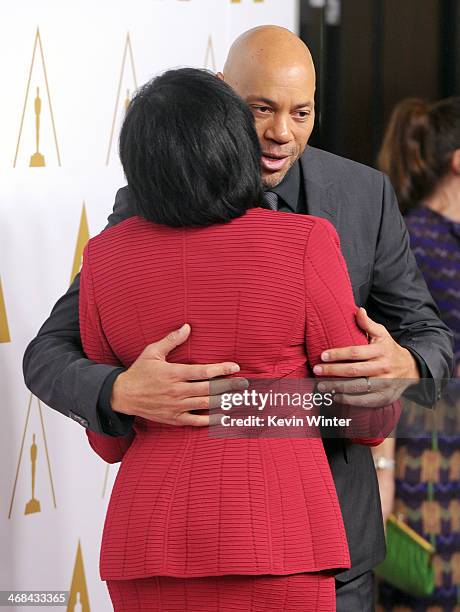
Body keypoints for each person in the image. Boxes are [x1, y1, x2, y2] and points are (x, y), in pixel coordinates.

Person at [22, 26, 453, 611]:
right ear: (223, 96)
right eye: (261, 109)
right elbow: (48, 353)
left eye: (301, 113)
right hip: (184, 540)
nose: (281, 133)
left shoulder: (361, 193)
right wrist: (120, 389)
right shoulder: (148, 203)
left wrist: (402, 362)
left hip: (334, 539)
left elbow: (432, 336)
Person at [80, 67, 384, 611]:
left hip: (145, 545)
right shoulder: (305, 242)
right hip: (280, 537)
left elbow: (109, 442)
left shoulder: (103, 258)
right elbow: (365, 418)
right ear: (234, 146)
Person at [375, 96, 460, 611]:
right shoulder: (417, 240)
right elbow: (385, 357)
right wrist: (382, 469)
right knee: (426, 591)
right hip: (428, 449)